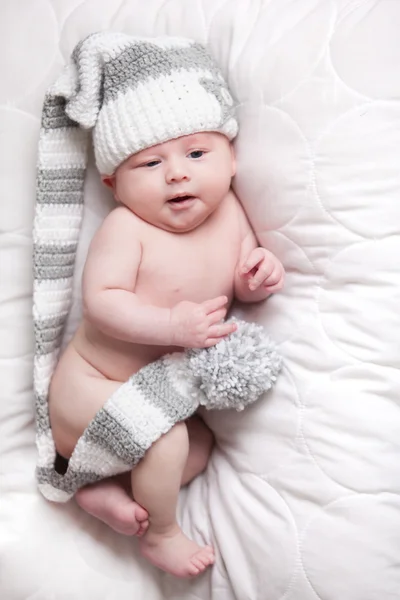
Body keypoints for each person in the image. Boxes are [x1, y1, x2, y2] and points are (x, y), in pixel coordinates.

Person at [46, 33, 284, 578]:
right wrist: (171, 324)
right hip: (90, 388)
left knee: (195, 448)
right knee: (169, 437)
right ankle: (161, 533)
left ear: (230, 160)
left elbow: (241, 282)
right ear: (113, 184)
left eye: (197, 154)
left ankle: (103, 489)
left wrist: (258, 276)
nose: (177, 173)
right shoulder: (126, 228)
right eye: (149, 164)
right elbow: (102, 302)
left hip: (164, 397)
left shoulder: (229, 214)